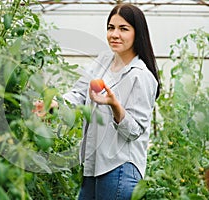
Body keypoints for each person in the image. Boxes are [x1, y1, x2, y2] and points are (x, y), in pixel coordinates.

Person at [33, 3, 160, 200]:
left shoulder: (141, 76)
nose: (114, 34)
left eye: (123, 28)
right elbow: (79, 93)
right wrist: (54, 104)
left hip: (120, 168)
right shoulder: (104, 60)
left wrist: (114, 104)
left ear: (138, 33)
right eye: (111, 28)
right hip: (93, 167)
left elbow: (135, 130)